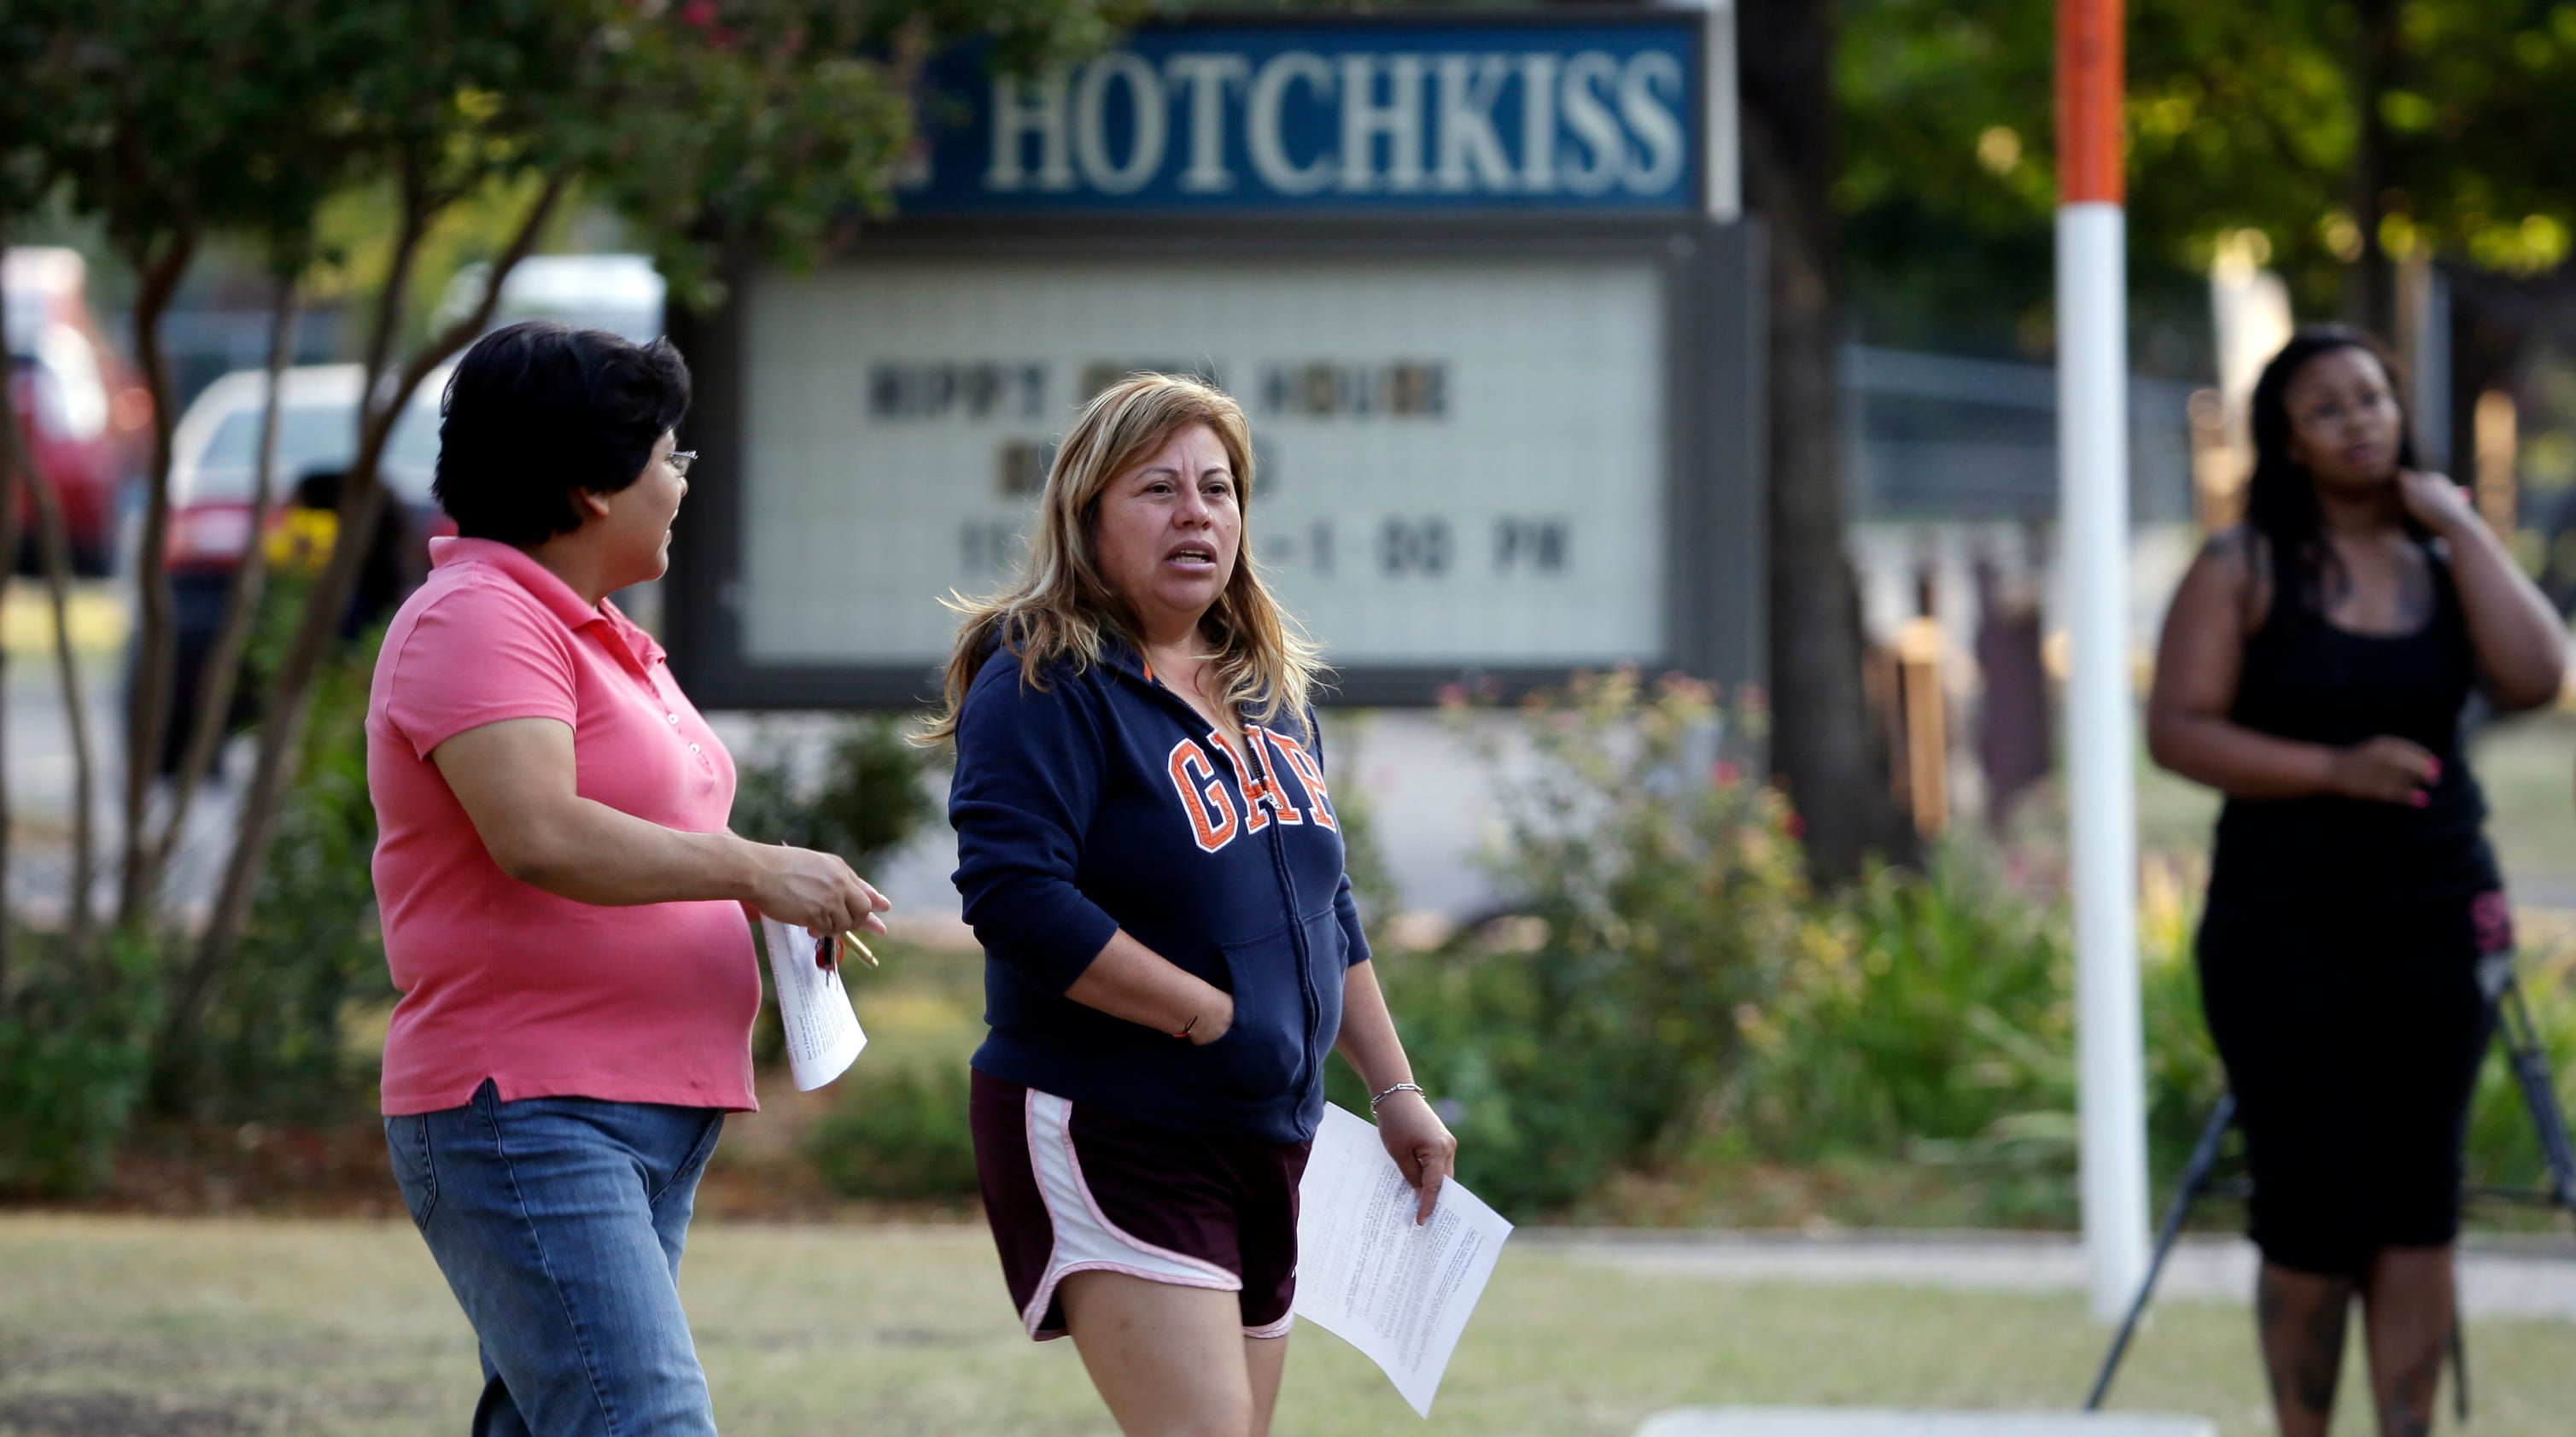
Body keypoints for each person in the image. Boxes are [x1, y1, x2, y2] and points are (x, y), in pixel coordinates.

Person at [365, 321, 889, 1437]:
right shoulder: (476, 617)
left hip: (633, 1106)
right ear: (592, 484)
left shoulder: (592, 632)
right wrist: (756, 870)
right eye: (667, 455)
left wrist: (767, 893)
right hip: (530, 1105)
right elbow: (540, 833)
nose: (680, 480)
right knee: (641, 1420)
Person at [928, 371, 1457, 1437]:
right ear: (1087, 514)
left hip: (1266, 1136)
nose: (1195, 515)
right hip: (1118, 1121)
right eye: (1157, 489)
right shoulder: (1042, 678)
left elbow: (1327, 907)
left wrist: (1392, 1086)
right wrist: (1206, 1015)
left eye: (1216, 490)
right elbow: (1014, 896)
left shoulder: (1262, 684)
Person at [2147, 326, 2565, 1437]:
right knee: (2310, 1197)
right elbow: (2176, 729)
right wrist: (2330, 770)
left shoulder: (2441, 557)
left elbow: (2536, 674)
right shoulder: (2242, 565)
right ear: (2286, 438)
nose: (2358, 423)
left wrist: (2460, 522)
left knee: (2419, 1195)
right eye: (2326, 409)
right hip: (2283, 922)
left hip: (2433, 910)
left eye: (2371, 398)